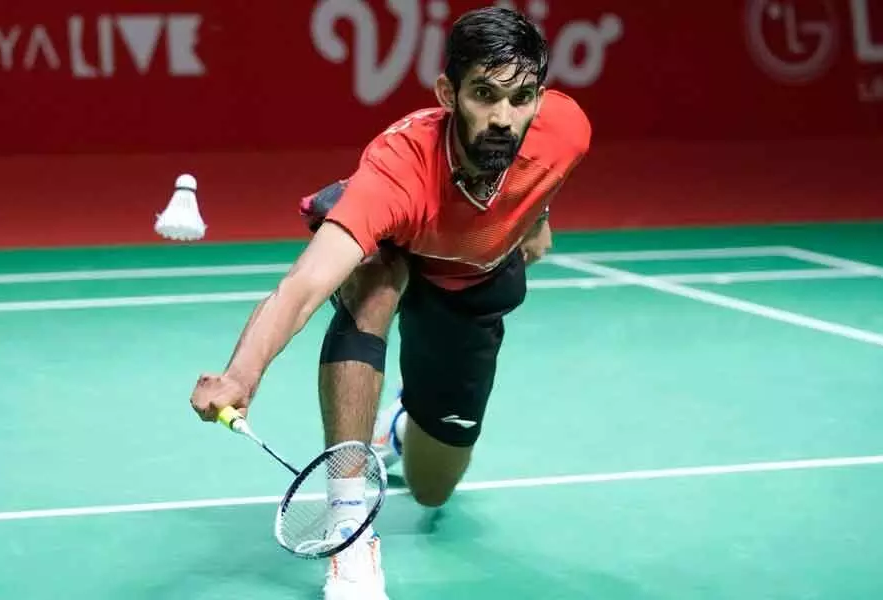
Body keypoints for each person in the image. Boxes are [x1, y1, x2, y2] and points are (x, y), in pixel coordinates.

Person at [189, 6, 591, 600]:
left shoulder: (565, 129)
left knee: (432, 490)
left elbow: (541, 171)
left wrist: (538, 215)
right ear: (448, 92)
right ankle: (351, 532)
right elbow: (302, 286)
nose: (504, 117)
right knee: (370, 283)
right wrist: (240, 376)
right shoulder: (398, 171)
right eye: (484, 95)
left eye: (521, 98)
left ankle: (402, 424)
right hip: (401, 241)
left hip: (470, 286)